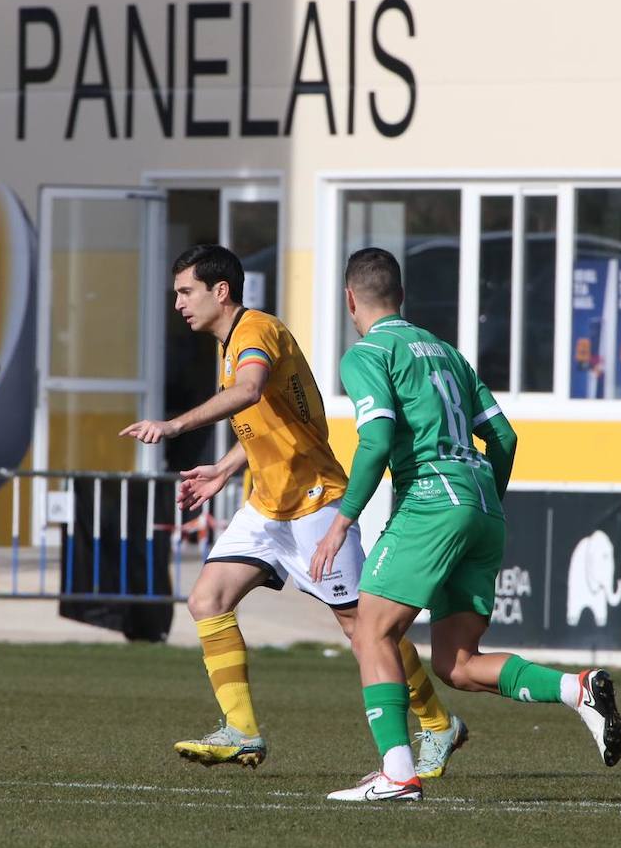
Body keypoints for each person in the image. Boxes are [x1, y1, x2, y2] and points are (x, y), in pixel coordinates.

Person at [120, 244, 466, 778]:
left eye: (186, 292)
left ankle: (438, 723)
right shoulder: (231, 339)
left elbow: (250, 389)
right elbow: (268, 415)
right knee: (207, 598)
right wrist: (226, 467)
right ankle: (241, 731)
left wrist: (173, 427)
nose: (179, 304)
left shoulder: (255, 331)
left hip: (314, 501)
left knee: (364, 630)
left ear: (221, 291)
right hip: (267, 503)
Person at [311, 247, 621, 803]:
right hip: (481, 502)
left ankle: (398, 773)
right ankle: (577, 690)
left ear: (350, 299)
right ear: (402, 297)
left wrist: (343, 520)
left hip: (434, 498)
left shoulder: (368, 353)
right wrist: (481, 503)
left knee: (372, 630)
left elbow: (377, 440)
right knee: (457, 665)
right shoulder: (449, 354)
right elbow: (505, 439)